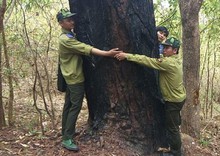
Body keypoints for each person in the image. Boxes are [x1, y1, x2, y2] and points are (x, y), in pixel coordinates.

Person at [56, 8, 121, 151]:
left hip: (69, 76)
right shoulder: (66, 40)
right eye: (68, 20)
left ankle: (66, 133)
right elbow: (86, 48)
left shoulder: (69, 35)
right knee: (75, 107)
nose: (72, 22)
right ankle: (67, 138)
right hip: (74, 78)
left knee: (68, 106)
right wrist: (107, 53)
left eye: (72, 19)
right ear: (61, 23)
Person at [114, 37, 186, 156]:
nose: (164, 49)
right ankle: (173, 148)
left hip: (173, 101)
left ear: (175, 50)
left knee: (172, 128)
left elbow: (147, 60)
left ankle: (176, 153)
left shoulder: (168, 63)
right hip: (178, 98)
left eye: (167, 48)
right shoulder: (175, 60)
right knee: (173, 125)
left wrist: (127, 55)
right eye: (164, 47)